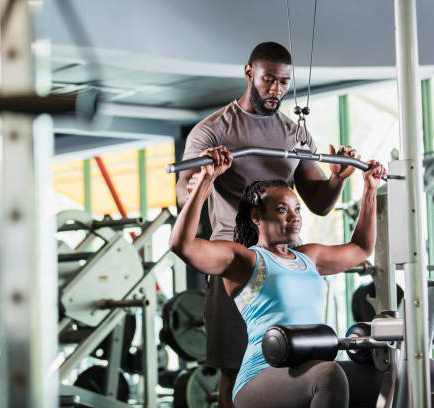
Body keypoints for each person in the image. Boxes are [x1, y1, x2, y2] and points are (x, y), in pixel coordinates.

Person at [176, 41, 359, 407]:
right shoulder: (211, 131)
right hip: (238, 263)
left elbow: (319, 202)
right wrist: (207, 175)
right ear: (249, 73)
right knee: (234, 367)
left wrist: (338, 178)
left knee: (298, 360)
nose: (276, 90)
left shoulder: (295, 133)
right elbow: (184, 196)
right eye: (268, 80)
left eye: (283, 82)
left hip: (285, 262)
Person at [170, 146, 386, 408]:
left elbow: (361, 248)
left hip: (310, 371)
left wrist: (370, 190)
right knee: (329, 374)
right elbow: (184, 246)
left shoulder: (310, 258)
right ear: (256, 216)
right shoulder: (246, 260)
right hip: (261, 377)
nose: (295, 217)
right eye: (283, 210)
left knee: (384, 376)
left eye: (297, 209)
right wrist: (206, 179)